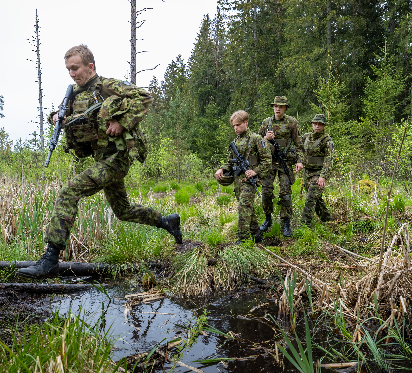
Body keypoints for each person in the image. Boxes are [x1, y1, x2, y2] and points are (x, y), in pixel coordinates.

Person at [18, 45, 181, 278]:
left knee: (69, 192)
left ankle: (50, 260)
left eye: (75, 68)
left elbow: (144, 97)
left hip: (117, 158)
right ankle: (167, 222)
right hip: (103, 158)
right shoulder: (74, 94)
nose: (71, 73)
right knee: (123, 210)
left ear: (90, 66)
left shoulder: (107, 86)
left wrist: (122, 122)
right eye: (68, 69)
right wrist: (55, 116)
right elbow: (63, 113)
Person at [214, 110, 271, 244]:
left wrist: (255, 171)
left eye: (238, 125)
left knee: (243, 207)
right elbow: (230, 162)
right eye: (234, 126)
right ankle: (256, 235)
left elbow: (267, 160)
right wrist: (221, 169)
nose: (236, 128)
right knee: (247, 207)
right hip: (238, 180)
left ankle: (243, 238)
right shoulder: (235, 142)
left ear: (246, 123)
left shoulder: (256, 139)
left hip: (250, 181)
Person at [257, 96, 300, 237]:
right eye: (276, 106)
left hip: (285, 161)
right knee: (266, 192)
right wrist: (265, 138)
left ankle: (286, 222)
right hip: (269, 162)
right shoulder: (266, 123)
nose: (278, 109)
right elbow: (257, 143)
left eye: (281, 106)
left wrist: (300, 161)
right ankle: (267, 219)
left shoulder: (292, 122)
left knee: (285, 193)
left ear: (285, 108)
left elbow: (298, 143)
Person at [295, 114, 335, 226]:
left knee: (310, 198)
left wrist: (323, 176)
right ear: (312, 124)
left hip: (319, 173)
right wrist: (299, 161)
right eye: (315, 124)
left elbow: (329, 159)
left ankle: (304, 225)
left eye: (320, 124)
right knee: (316, 198)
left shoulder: (327, 140)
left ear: (324, 125)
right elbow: (299, 150)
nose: (317, 126)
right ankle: (328, 220)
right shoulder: (306, 137)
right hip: (307, 172)